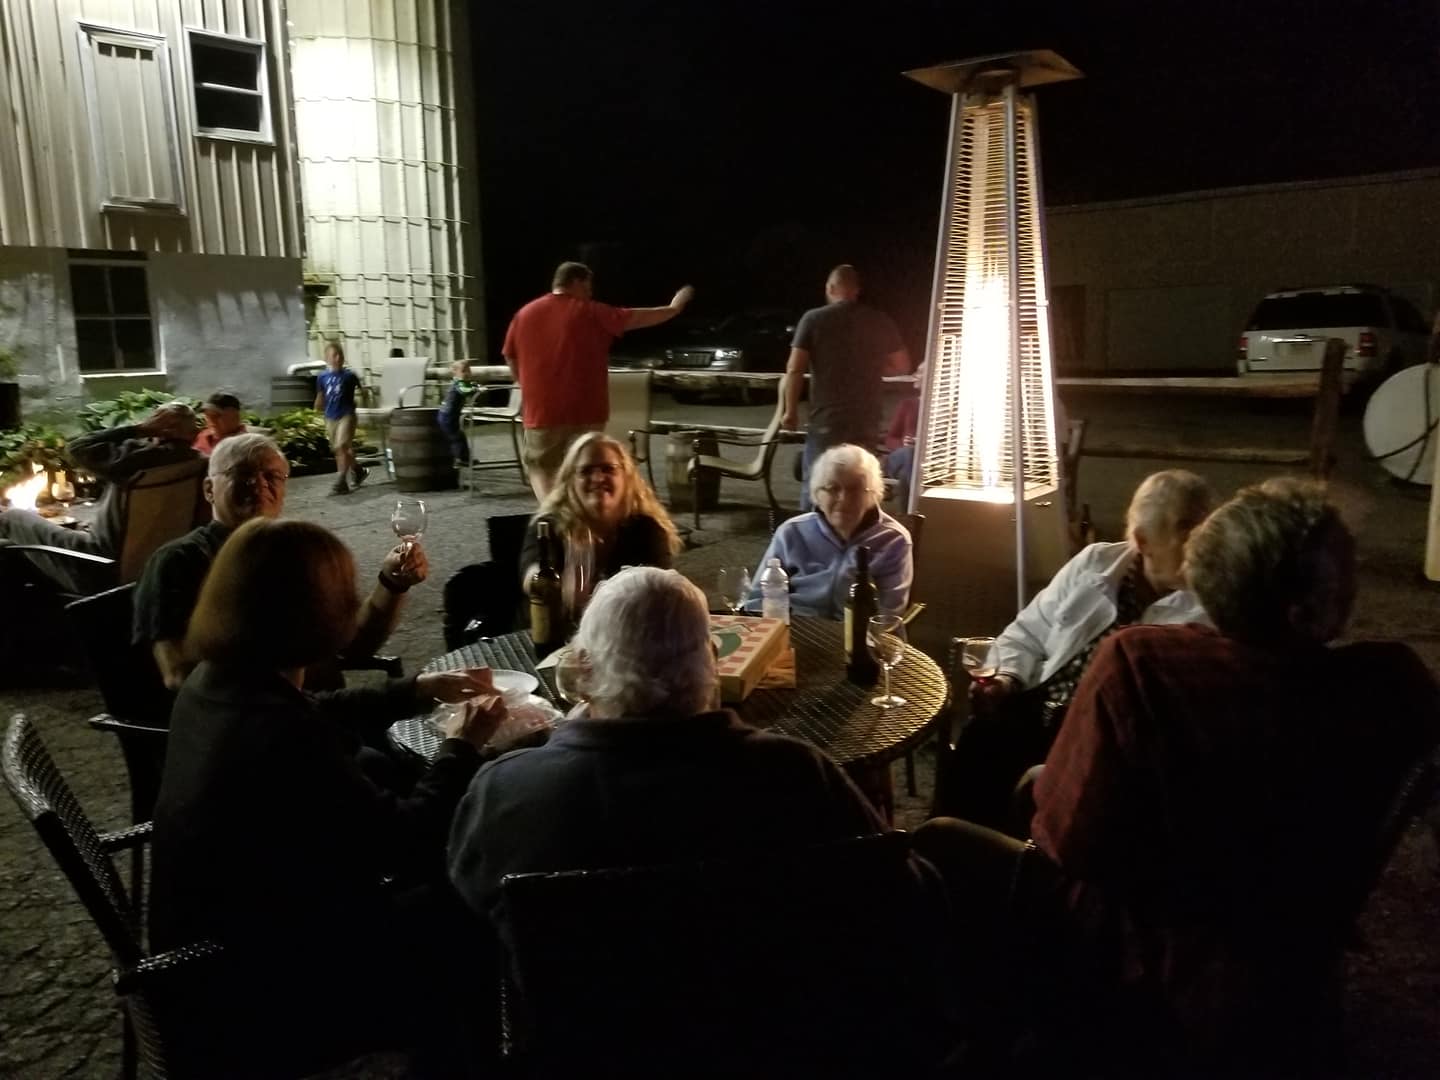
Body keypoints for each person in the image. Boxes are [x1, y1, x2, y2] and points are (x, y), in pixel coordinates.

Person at [915, 478, 1440, 1071]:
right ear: (1323, 604)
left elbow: (1069, 843)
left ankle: (967, 1013)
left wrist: (1042, 782)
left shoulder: (1144, 664)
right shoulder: (1396, 683)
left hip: (1147, 936)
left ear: (1214, 579)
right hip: (1296, 925)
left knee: (941, 842)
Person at [148, 517, 519, 1072]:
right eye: (341, 591)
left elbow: (318, 708)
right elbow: (407, 838)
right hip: (260, 980)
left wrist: (416, 690)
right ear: (313, 611)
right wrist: (461, 746)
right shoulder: (279, 734)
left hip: (215, 930)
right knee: (475, 913)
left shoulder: (219, 680)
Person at [448, 565, 886, 930]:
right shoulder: (798, 774)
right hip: (768, 1026)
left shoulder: (507, 793)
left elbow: (469, 904)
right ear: (710, 662)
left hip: (582, 1031)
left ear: (583, 670)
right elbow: (897, 888)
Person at [933, 469, 1215, 829]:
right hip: (1038, 705)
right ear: (1142, 541)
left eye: (1204, 535)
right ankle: (945, 859)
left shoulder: (1210, 606)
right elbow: (1027, 633)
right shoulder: (1095, 564)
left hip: (1105, 741)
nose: (1200, 551)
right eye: (1185, 537)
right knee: (979, 742)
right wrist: (1006, 678)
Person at [132, 433, 427, 692]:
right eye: (243, 474)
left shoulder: (293, 551)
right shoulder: (178, 562)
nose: (259, 484)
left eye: (272, 476)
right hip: (256, 730)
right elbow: (179, 674)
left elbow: (353, 646)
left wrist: (392, 583)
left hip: (320, 716)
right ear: (209, 490)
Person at [502, 261, 694, 500]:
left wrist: (525, 385)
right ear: (577, 282)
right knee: (584, 468)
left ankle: (551, 515)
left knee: (542, 466)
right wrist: (673, 308)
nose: (590, 292)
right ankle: (582, 518)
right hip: (587, 410)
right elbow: (637, 317)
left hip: (542, 411)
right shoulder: (591, 311)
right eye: (588, 285)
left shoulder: (525, 313)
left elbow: (510, 354)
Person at [0, 402, 199, 594]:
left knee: (12, 517)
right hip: (154, 568)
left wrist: (140, 429)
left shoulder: (136, 460)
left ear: (158, 427)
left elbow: (77, 448)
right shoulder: (196, 463)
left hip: (96, 565)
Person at [519, 431, 680, 628]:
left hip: (623, 632)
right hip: (552, 635)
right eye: (586, 471)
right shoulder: (548, 525)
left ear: (626, 478)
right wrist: (551, 586)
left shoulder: (646, 528)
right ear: (570, 481)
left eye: (607, 469)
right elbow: (532, 571)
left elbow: (660, 589)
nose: (597, 478)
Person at [781, 265, 909, 511]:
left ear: (830, 288)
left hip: (826, 421)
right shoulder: (879, 320)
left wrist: (790, 412)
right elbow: (902, 365)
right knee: (860, 485)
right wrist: (871, 369)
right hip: (866, 420)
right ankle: (857, 541)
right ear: (857, 291)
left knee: (817, 485)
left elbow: (795, 369)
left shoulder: (814, 319)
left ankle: (810, 543)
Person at [744, 444, 911, 619]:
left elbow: (889, 614)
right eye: (833, 488)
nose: (844, 499)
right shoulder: (791, 532)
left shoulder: (894, 540)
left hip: (858, 634)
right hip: (794, 625)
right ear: (817, 494)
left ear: (873, 494)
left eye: (854, 489)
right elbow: (757, 600)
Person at [314, 341, 366, 495]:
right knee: (342, 449)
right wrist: (316, 408)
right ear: (327, 358)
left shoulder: (349, 376)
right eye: (334, 355)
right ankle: (358, 470)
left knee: (341, 445)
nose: (338, 358)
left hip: (346, 414)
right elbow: (320, 396)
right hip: (331, 416)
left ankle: (341, 480)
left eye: (340, 355)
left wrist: (363, 398)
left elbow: (363, 391)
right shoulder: (322, 377)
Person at [436, 358, 475, 468]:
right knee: (456, 437)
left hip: (450, 415)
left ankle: (465, 458)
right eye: (464, 371)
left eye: (469, 370)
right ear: (455, 373)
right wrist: (475, 389)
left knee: (460, 436)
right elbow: (464, 391)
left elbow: (468, 388)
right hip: (447, 416)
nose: (467, 373)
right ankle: (458, 459)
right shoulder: (458, 383)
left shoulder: (462, 382)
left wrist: (475, 387)